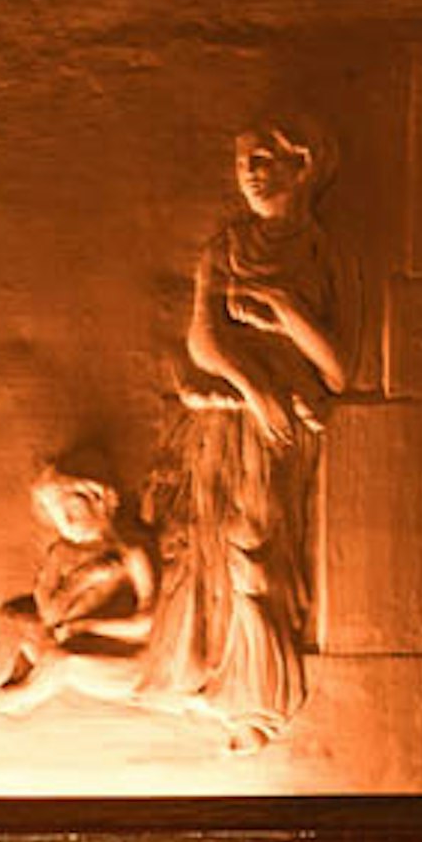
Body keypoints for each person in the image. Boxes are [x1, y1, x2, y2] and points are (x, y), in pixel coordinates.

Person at [135, 122, 344, 747]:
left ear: (301, 166)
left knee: (255, 545)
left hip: (282, 432)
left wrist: (281, 307)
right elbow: (204, 340)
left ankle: (262, 701)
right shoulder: (223, 249)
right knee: (213, 543)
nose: (249, 173)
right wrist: (254, 389)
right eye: (242, 163)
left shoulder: (324, 253)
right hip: (232, 414)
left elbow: (337, 365)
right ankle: (217, 681)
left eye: (264, 160)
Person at [0, 462, 158, 719]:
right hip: (68, 636)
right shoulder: (61, 554)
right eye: (58, 514)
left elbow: (148, 624)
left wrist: (89, 627)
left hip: (122, 660)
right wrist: (84, 579)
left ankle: (16, 698)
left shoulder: (132, 554)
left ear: (99, 501)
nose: (67, 521)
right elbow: (49, 613)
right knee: (11, 617)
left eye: (72, 508)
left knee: (61, 661)